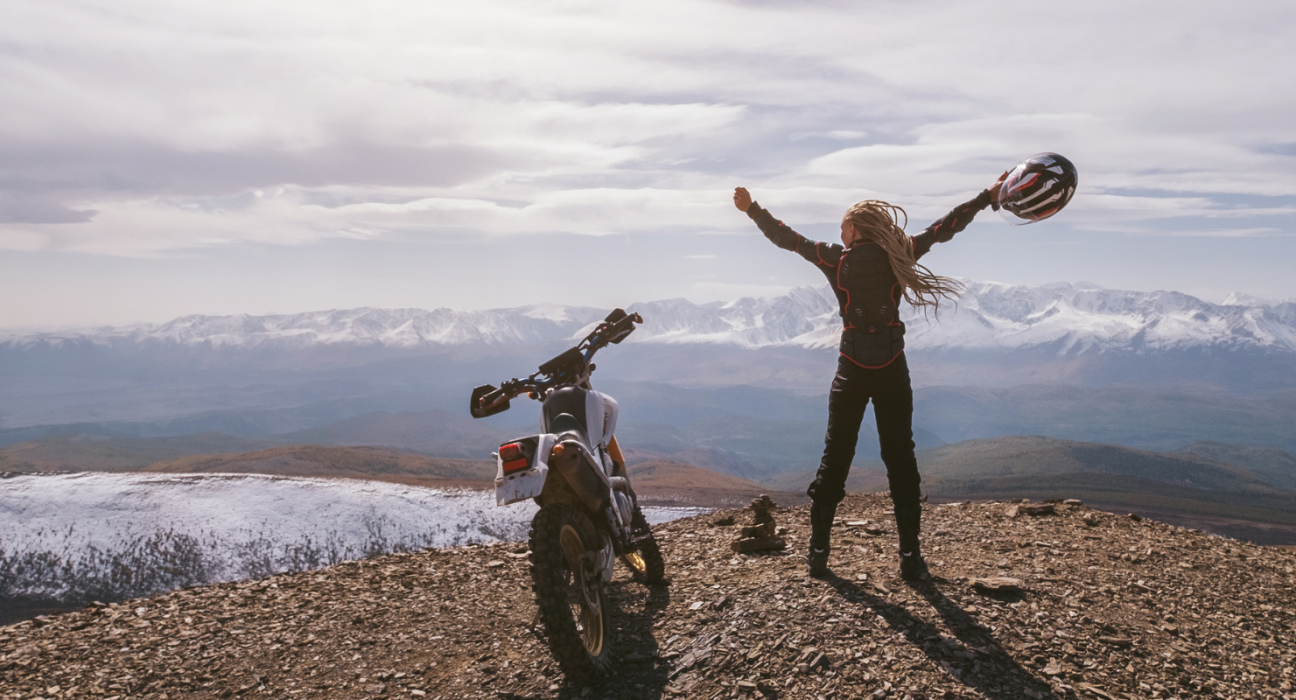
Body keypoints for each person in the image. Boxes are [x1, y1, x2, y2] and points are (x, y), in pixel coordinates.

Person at [733, 176, 1004, 581]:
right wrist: (987, 197)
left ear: (854, 229)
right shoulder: (901, 252)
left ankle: (819, 552)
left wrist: (752, 209)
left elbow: (785, 238)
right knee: (900, 459)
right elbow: (946, 227)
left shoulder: (833, 258)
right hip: (893, 369)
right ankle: (911, 557)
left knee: (835, 459)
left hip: (851, 371)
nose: (838, 233)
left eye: (843, 226)